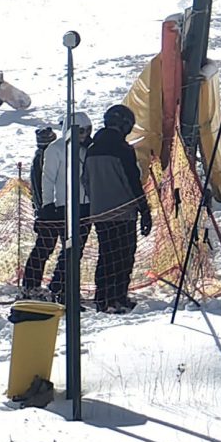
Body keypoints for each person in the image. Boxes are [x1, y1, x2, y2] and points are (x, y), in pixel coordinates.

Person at [83, 105, 153, 312]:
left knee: (106, 254)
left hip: (100, 212)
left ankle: (102, 297)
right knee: (123, 255)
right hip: (123, 212)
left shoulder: (92, 150)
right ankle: (118, 297)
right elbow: (133, 182)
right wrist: (144, 210)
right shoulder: (123, 150)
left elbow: (85, 181)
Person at [18, 126, 69, 297]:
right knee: (44, 248)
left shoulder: (41, 157)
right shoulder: (46, 158)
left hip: (46, 211)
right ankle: (32, 284)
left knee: (44, 248)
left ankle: (33, 283)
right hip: (50, 212)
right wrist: (46, 209)